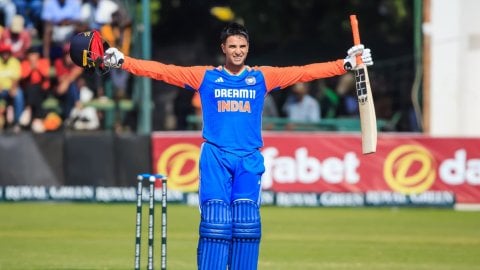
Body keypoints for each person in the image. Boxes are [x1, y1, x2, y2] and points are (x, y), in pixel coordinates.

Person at [69, 23, 373, 270]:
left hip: (249, 160)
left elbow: (304, 71)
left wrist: (345, 64)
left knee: (246, 224)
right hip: (215, 157)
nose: (237, 51)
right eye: (232, 47)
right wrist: (124, 61)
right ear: (223, 49)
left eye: (242, 46)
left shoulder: (262, 77)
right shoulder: (206, 77)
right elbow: (162, 70)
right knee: (215, 222)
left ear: (247, 48)